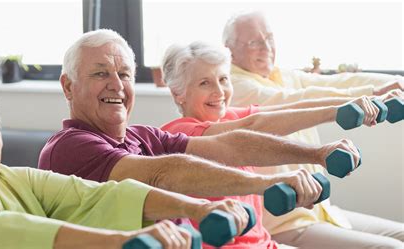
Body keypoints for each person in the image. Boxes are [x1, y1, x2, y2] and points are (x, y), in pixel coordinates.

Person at [38, 29, 363, 226]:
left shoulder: (144, 136)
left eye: (124, 74)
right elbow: (159, 173)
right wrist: (266, 182)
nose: (117, 86)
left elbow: (228, 145)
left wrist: (317, 153)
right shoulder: (69, 145)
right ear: (68, 87)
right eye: (100, 74)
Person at [0, 72, 255, 249]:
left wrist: (196, 208)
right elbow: (8, 231)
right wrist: (125, 241)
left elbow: (99, 194)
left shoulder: (11, 179)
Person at [159, 41, 404, 249]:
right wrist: (335, 115)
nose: (219, 91)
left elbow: (289, 109)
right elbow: (257, 124)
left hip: (264, 243)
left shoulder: (228, 117)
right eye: (204, 83)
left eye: (223, 79)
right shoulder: (177, 134)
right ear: (178, 93)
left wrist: (360, 102)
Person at [223, 11, 404, 248]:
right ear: (230, 49)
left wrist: (390, 83)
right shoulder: (233, 86)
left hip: (321, 213)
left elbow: (337, 81)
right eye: (254, 42)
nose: (265, 47)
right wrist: (370, 94)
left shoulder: (282, 75)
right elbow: (298, 100)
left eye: (269, 38)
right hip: (284, 223)